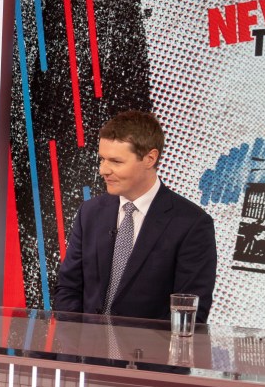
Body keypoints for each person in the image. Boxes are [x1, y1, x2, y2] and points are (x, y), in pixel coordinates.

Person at [53, 110, 217, 322]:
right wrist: (78, 342)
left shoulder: (191, 224)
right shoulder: (90, 212)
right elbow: (68, 287)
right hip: (86, 350)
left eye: (116, 161)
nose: (103, 170)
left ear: (150, 158)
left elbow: (190, 310)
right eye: (102, 159)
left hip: (148, 353)